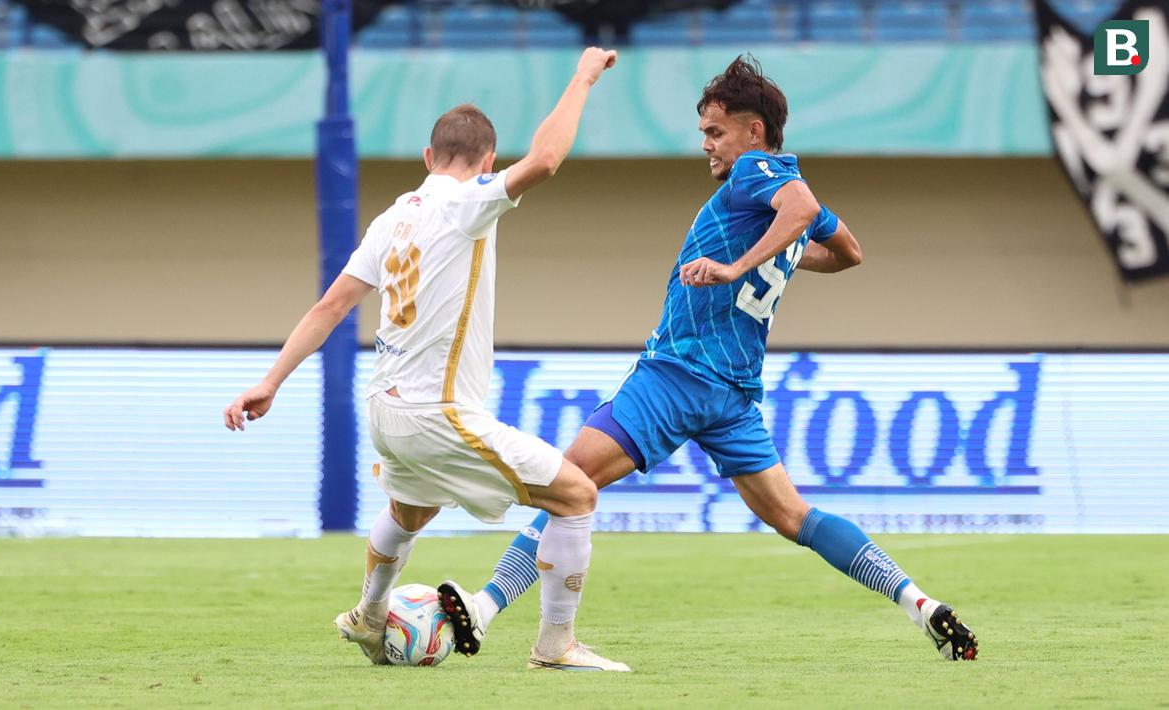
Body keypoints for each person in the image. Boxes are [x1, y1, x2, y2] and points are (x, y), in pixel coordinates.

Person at [438, 55, 979, 663]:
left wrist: (738, 265)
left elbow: (799, 212)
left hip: (677, 373)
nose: (706, 145)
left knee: (568, 483)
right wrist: (787, 256)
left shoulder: (755, 170)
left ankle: (488, 609)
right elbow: (849, 251)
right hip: (733, 395)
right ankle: (919, 603)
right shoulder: (774, 189)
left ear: (754, 132)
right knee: (792, 515)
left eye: (714, 131)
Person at [223, 47, 630, 672]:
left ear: (426, 157)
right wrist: (582, 77)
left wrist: (269, 381)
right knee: (575, 495)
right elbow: (547, 159)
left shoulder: (393, 217)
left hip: (383, 406)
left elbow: (331, 307)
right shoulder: (469, 203)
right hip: (436, 411)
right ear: (487, 161)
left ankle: (367, 613)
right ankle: (556, 646)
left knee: (410, 511)